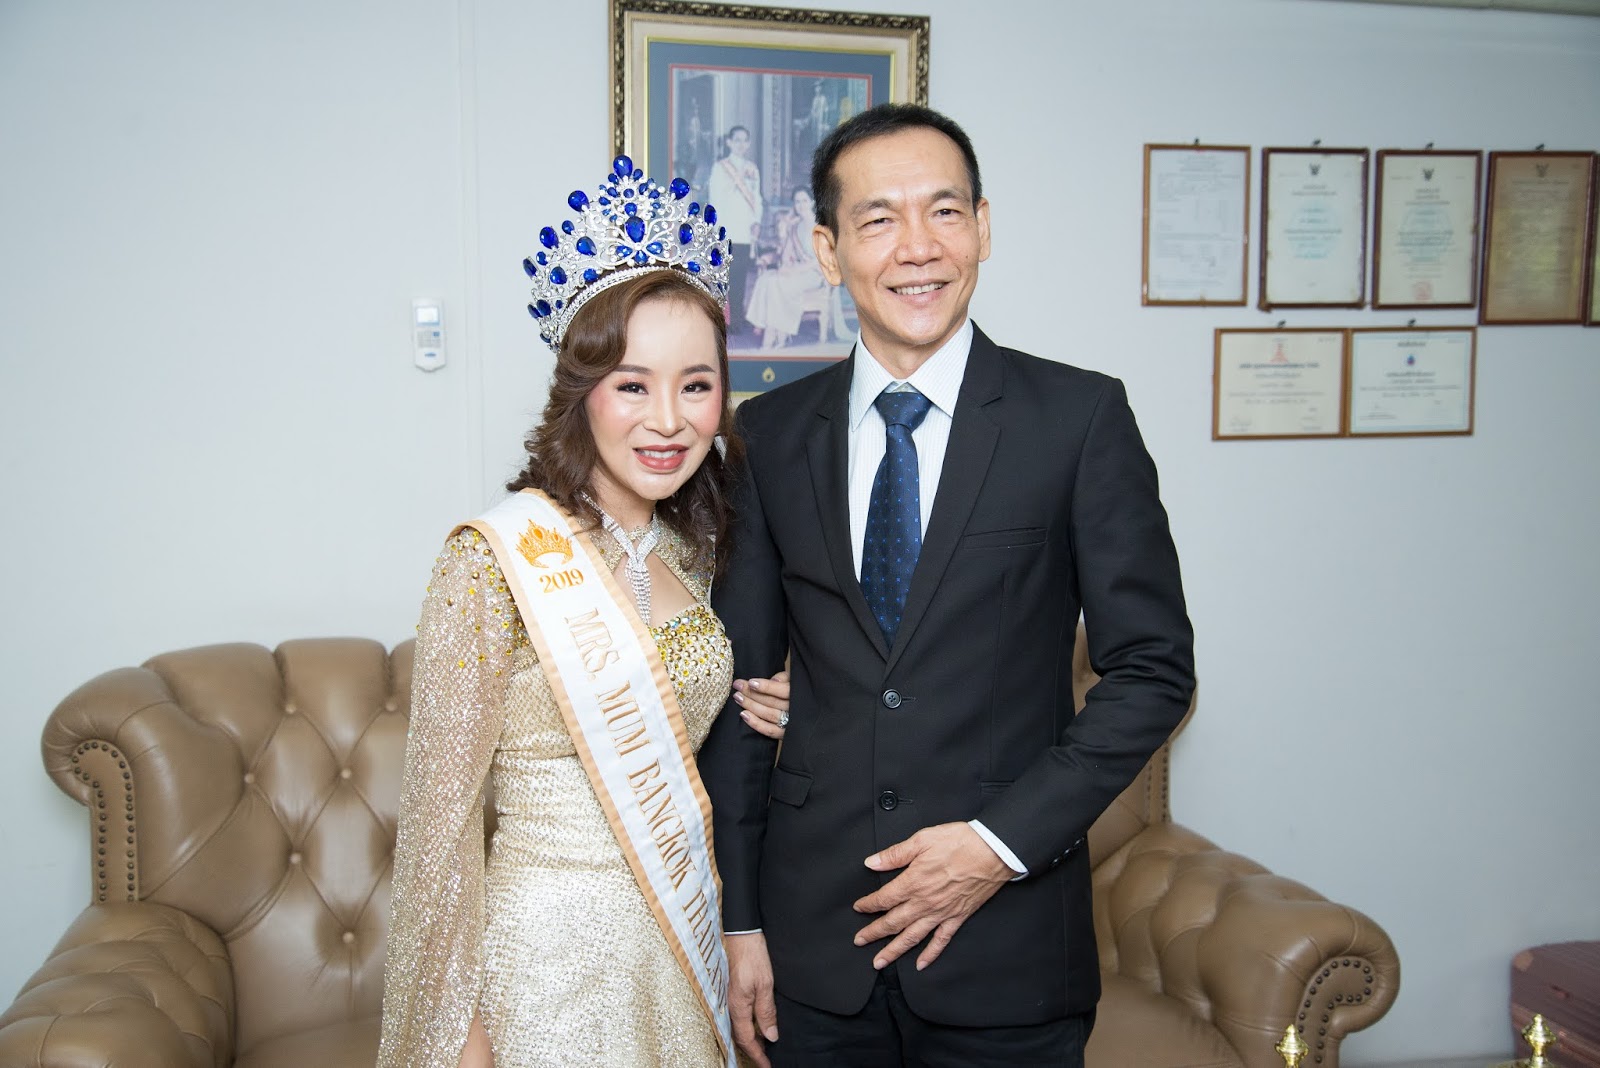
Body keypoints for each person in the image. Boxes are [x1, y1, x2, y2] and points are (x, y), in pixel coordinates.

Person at [698, 104, 1196, 1067]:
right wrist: (740, 920)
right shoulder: (770, 434)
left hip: (1008, 949)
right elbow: (742, 698)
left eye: (944, 211)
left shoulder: (1079, 419)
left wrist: (998, 845)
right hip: (813, 955)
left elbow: (1153, 670)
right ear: (828, 249)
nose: (918, 248)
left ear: (983, 227)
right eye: (878, 219)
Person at [378, 157, 791, 1068]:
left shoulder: (707, 554)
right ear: (581, 392)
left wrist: (797, 707)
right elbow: (440, 833)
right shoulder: (491, 563)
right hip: (542, 968)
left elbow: (716, 747)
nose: (669, 420)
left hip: (677, 954)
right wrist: (460, 1038)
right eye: (633, 385)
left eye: (696, 385)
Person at [746, 187, 845, 350]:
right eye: (797, 201)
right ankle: (773, 331)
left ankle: (777, 334)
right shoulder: (795, 226)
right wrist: (786, 261)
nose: (801, 205)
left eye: (804, 201)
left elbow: (823, 261)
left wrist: (795, 270)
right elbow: (786, 254)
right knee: (766, 279)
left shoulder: (822, 226)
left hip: (816, 275)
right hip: (798, 271)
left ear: (812, 202)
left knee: (777, 283)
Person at [706, 125, 763, 338]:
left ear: (748, 144)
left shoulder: (752, 168)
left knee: (740, 277)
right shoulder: (720, 168)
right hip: (726, 230)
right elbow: (716, 198)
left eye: (744, 140)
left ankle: (738, 318)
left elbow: (757, 198)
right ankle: (724, 320)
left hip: (745, 231)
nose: (740, 144)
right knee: (725, 278)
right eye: (736, 140)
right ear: (729, 142)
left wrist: (756, 221)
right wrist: (737, 176)